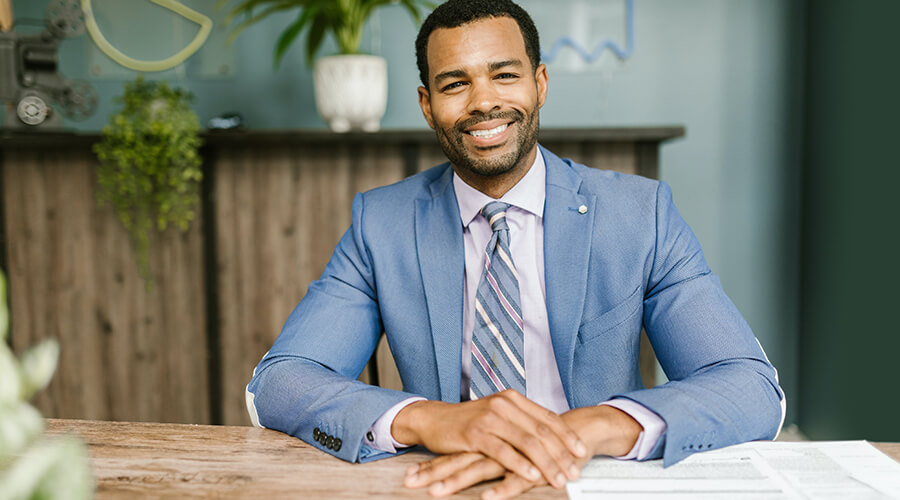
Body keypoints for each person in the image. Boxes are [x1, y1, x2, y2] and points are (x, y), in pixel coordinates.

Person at [245, 0, 786, 498]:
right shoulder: (380, 224)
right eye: (455, 84)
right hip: (443, 481)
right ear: (427, 105)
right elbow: (278, 382)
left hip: (592, 477)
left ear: (540, 83)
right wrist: (434, 420)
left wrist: (590, 427)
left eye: (505, 75)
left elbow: (751, 387)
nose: (485, 102)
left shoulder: (640, 214)